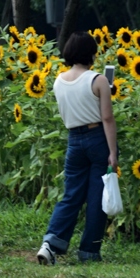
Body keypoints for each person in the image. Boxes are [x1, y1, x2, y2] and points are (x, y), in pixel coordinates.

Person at [36, 32, 119, 265]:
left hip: (74, 140)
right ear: (91, 53)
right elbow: (108, 118)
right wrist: (113, 152)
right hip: (97, 138)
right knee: (96, 198)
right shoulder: (99, 80)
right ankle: (89, 252)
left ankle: (50, 244)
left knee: (71, 195)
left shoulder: (58, 81)